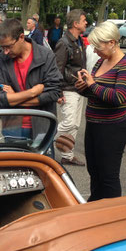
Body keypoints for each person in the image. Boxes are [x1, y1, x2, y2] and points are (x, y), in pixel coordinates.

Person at [75, 21, 126, 200]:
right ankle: (96, 206)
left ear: (111, 42)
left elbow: (118, 97)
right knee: (94, 172)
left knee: (108, 176)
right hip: (94, 125)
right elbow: (96, 93)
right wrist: (82, 87)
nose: (94, 51)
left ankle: (111, 213)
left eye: (97, 46)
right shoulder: (102, 61)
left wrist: (92, 84)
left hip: (113, 128)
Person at [0, 18, 62, 144]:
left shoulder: (46, 55)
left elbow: (54, 92)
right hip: (12, 129)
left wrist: (14, 99)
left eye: (8, 47)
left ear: (21, 37)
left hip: (42, 128)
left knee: (41, 164)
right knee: (14, 164)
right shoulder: (1, 60)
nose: (5, 52)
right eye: (2, 47)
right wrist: (32, 93)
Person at [53, 9, 88, 166]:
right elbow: (57, 69)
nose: (86, 22)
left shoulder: (78, 40)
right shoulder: (64, 43)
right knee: (69, 122)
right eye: (84, 20)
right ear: (76, 23)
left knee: (75, 124)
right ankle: (48, 139)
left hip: (78, 89)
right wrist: (58, 92)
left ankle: (67, 156)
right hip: (67, 89)